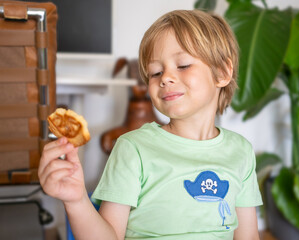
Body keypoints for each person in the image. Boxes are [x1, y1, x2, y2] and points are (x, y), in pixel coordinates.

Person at [38, 10, 262, 240]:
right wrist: (76, 201)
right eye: (155, 72)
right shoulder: (132, 148)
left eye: (183, 65)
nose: (165, 77)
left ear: (223, 72)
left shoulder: (241, 151)